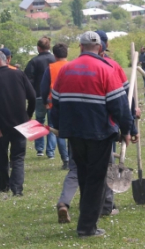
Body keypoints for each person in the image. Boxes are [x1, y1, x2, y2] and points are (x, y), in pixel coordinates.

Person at [50, 31, 133, 238]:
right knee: (96, 179)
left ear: (80, 47)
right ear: (100, 48)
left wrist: (58, 125)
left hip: (74, 133)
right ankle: (87, 227)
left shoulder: (66, 69)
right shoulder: (106, 69)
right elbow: (119, 105)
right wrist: (127, 130)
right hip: (99, 132)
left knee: (85, 176)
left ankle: (86, 221)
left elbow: (56, 103)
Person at [0, 50, 36, 196]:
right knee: (18, 157)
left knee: (1, 156)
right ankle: (17, 189)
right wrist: (28, 115)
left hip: (2, 126)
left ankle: (3, 185)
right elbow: (32, 97)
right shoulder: (19, 74)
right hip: (21, 124)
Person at [24, 37, 56, 157]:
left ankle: (40, 149)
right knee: (52, 124)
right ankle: (51, 151)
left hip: (38, 95)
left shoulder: (34, 61)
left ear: (38, 48)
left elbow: (28, 80)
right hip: (53, 96)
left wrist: (29, 95)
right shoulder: (54, 59)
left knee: (39, 122)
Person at [40, 43, 70, 169]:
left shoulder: (51, 68)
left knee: (58, 131)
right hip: (72, 103)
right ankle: (74, 157)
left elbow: (43, 87)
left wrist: (45, 101)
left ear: (54, 55)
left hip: (55, 103)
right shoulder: (73, 65)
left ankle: (66, 159)